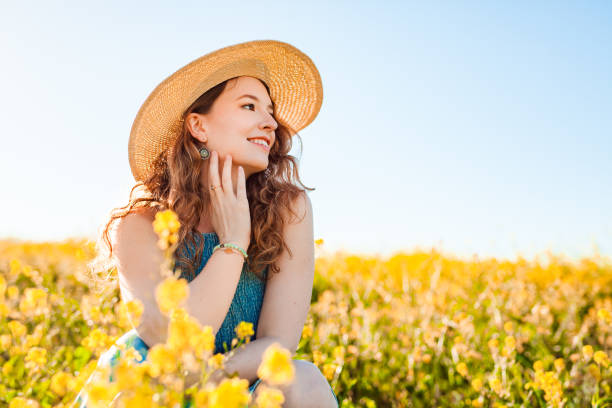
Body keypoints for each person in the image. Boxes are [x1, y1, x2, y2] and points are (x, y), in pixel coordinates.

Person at [71, 40, 339, 407]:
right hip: (155, 387)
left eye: (271, 111)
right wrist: (233, 242)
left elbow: (278, 342)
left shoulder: (289, 209)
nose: (271, 122)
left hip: (234, 384)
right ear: (198, 126)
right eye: (249, 106)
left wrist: (212, 382)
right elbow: (174, 340)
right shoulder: (138, 225)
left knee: (303, 380)